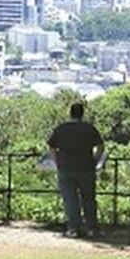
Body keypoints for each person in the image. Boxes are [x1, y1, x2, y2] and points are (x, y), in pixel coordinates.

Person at [48, 102, 104, 238]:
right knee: (89, 199)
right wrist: (94, 161)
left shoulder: (61, 129)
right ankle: (92, 228)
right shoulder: (89, 128)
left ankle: (73, 228)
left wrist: (57, 162)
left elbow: (51, 147)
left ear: (70, 113)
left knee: (70, 199)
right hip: (86, 168)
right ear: (82, 113)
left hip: (65, 168)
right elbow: (100, 147)